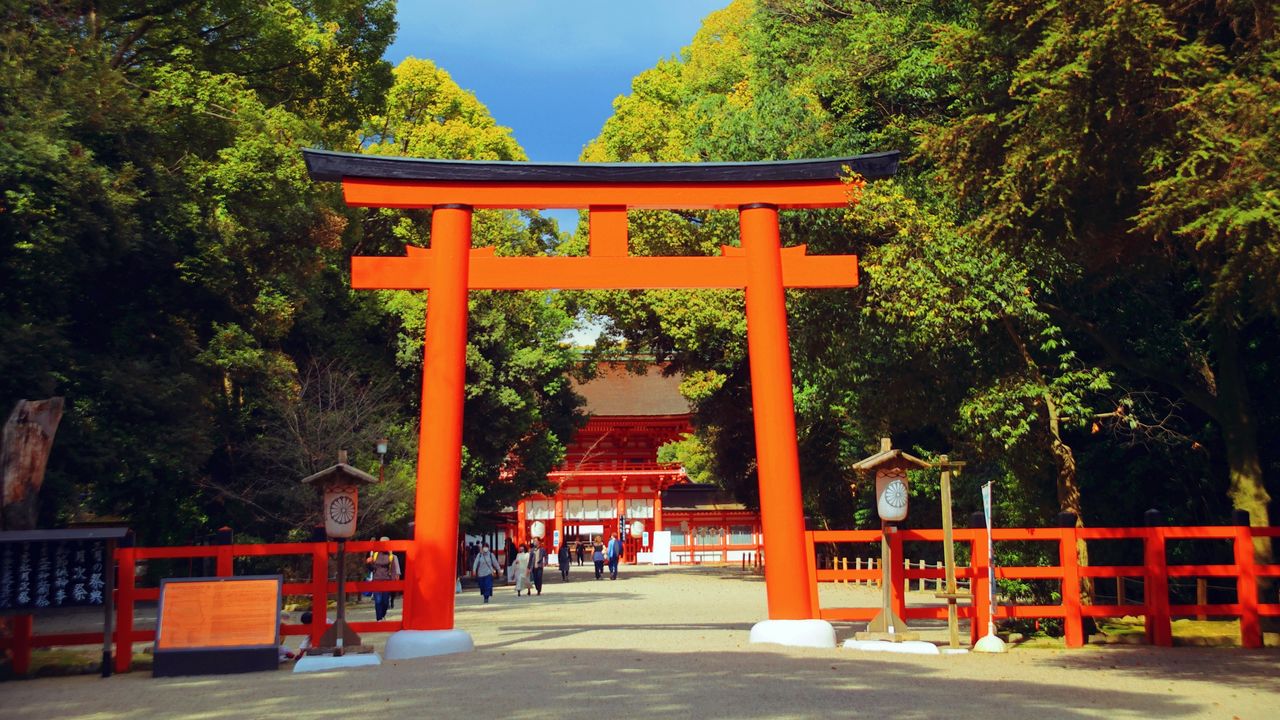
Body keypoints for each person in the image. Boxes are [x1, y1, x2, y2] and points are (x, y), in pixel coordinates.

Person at [365, 537, 401, 621]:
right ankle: (379, 619)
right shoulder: (375, 554)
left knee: (385, 602)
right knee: (378, 601)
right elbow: (371, 569)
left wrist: (393, 584)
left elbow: (393, 571)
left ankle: (383, 615)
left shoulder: (391, 556)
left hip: (387, 580)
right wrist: (368, 563)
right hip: (376, 580)